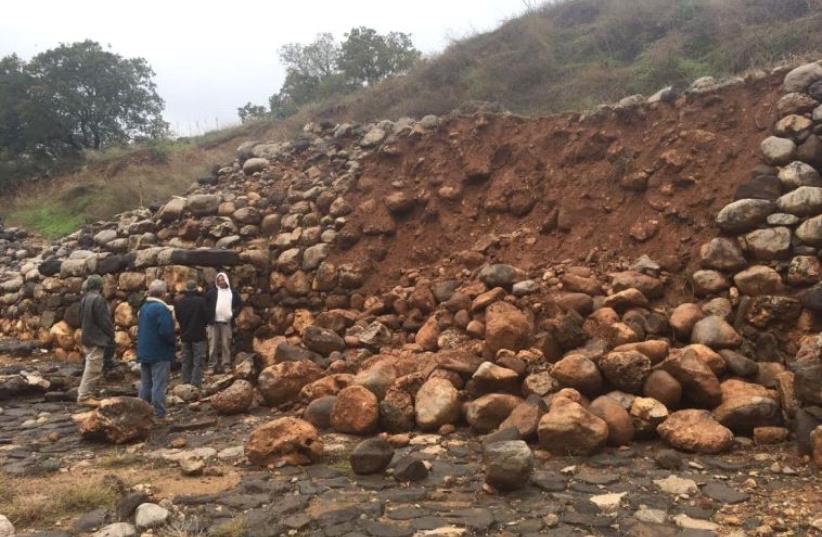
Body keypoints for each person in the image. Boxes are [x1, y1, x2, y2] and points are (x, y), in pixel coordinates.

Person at [137, 280, 176, 419]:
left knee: (145, 384)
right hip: (159, 352)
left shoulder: (144, 308)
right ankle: (160, 414)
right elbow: (166, 331)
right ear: (163, 293)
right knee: (159, 384)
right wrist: (173, 342)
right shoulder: (161, 309)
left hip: (144, 350)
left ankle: (141, 412)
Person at [77, 275, 115, 405]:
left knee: (91, 365)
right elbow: (104, 321)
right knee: (93, 368)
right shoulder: (98, 299)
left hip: (87, 337)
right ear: (100, 286)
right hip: (96, 338)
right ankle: (84, 396)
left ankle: (88, 393)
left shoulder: (85, 298)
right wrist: (111, 333)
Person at [205, 272, 242, 373]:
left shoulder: (232, 292)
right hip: (213, 323)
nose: (221, 282)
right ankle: (212, 366)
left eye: (222, 279)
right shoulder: (211, 293)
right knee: (212, 345)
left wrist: (233, 314)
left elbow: (239, 304)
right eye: (219, 280)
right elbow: (205, 306)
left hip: (226, 323)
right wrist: (208, 318)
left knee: (226, 345)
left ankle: (226, 365)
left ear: (226, 280)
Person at [174, 280, 208, 387]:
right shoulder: (201, 301)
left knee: (186, 361)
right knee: (198, 361)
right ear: (195, 289)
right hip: (199, 335)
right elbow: (207, 317)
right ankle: (195, 384)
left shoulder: (179, 302)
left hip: (185, 335)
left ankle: (185, 383)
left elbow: (178, 318)